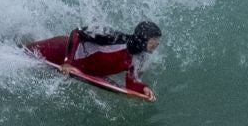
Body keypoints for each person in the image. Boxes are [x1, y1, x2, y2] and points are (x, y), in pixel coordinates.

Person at [26, 21, 162, 94]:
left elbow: (131, 82)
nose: (157, 43)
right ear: (142, 38)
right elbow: (77, 33)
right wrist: (68, 62)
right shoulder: (114, 37)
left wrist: (143, 88)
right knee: (21, 52)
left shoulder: (140, 58)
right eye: (154, 38)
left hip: (78, 67)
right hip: (59, 50)